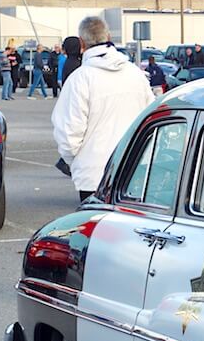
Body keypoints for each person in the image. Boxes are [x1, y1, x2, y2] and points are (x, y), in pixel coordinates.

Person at [51, 16, 154, 202]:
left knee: (96, 228)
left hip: (94, 175)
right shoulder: (136, 75)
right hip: (135, 171)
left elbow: (68, 131)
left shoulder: (80, 79)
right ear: (108, 35)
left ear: (82, 42)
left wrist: (76, 162)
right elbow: (151, 118)